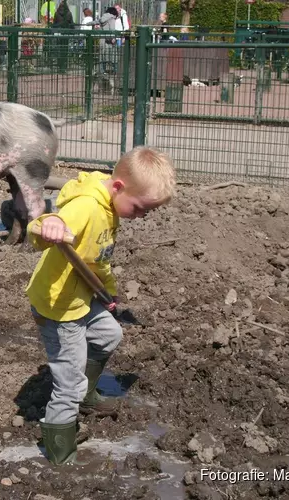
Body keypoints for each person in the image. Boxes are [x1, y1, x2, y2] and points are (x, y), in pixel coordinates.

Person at [25, 147, 177, 466]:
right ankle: (59, 451)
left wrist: (108, 294)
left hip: (82, 296)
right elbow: (39, 228)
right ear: (119, 187)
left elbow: (100, 261)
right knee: (69, 380)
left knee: (109, 334)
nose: (139, 216)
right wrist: (49, 227)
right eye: (139, 209)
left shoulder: (110, 208)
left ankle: (86, 394)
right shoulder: (86, 207)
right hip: (59, 307)